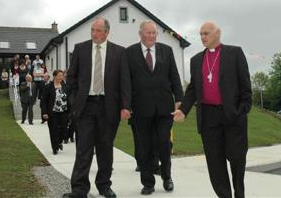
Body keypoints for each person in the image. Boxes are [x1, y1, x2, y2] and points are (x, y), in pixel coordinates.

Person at [172, 22, 252, 198]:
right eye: (200, 34)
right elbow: (193, 89)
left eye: (206, 33)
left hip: (232, 115)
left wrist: (243, 109)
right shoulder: (196, 60)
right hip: (208, 117)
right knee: (215, 163)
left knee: (237, 158)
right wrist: (184, 110)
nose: (202, 37)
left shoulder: (235, 53)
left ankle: (239, 193)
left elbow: (246, 86)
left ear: (218, 33)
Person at [63, 17, 131, 198]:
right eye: (92, 30)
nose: (94, 33)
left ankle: (104, 186)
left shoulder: (119, 52)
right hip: (85, 107)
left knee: (105, 149)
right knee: (83, 149)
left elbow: (125, 81)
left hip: (109, 107)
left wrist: (126, 106)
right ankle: (79, 189)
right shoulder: (80, 49)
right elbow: (71, 78)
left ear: (107, 32)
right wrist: (74, 100)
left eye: (98, 30)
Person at [125, 20, 183, 195]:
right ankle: (148, 183)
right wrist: (126, 105)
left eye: (154, 33)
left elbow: (174, 76)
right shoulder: (130, 53)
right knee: (144, 147)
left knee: (164, 145)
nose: (151, 36)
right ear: (140, 33)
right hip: (140, 110)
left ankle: (167, 177)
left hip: (164, 109)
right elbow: (126, 81)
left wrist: (179, 99)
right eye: (148, 33)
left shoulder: (167, 50)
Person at [41, 70, 68, 155]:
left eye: (62, 76)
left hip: (63, 112)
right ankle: (54, 147)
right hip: (52, 112)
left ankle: (59, 142)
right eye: (59, 76)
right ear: (54, 76)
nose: (61, 77)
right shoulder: (48, 87)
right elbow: (43, 101)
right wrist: (44, 113)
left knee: (64, 128)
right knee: (53, 130)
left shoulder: (65, 86)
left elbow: (69, 98)